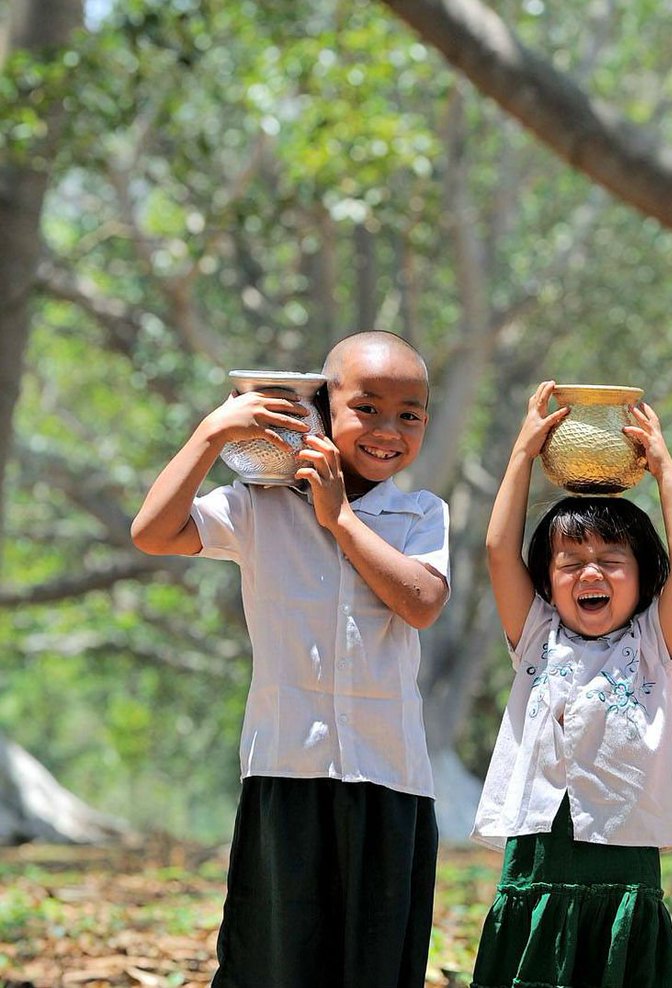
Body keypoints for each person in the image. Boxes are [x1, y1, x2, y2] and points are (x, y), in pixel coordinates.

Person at [130, 331, 449, 988]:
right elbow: (154, 532)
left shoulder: (420, 513)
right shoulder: (256, 508)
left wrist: (340, 521)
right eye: (367, 407)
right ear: (320, 411)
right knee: (272, 959)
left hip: (389, 778)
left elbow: (420, 603)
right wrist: (212, 434)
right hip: (284, 771)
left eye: (410, 413)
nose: (389, 429)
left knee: (377, 963)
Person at [469, 380, 672, 988]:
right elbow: (499, 550)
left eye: (612, 561)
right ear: (547, 581)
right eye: (570, 563)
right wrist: (523, 454)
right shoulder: (536, 635)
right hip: (541, 840)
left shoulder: (654, 646)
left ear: (644, 575)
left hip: (624, 849)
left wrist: (663, 465)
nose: (590, 573)